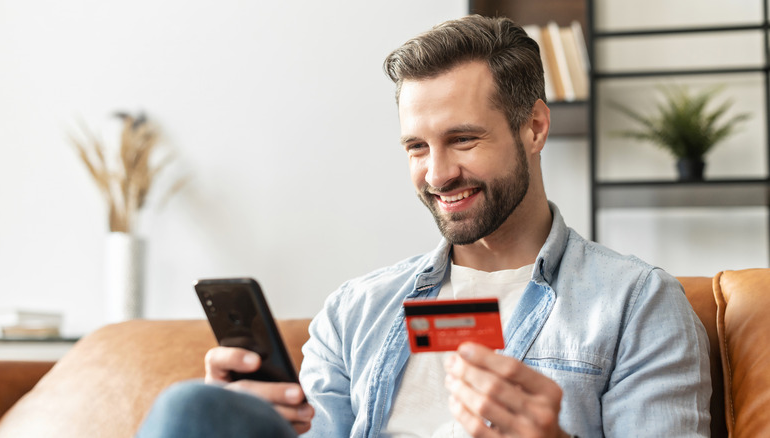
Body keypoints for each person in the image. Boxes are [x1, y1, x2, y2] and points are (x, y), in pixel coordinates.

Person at [137, 15, 711, 438]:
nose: (437, 174)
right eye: (417, 147)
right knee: (194, 409)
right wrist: (251, 418)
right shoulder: (354, 310)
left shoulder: (636, 303)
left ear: (534, 127)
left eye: (463, 139)